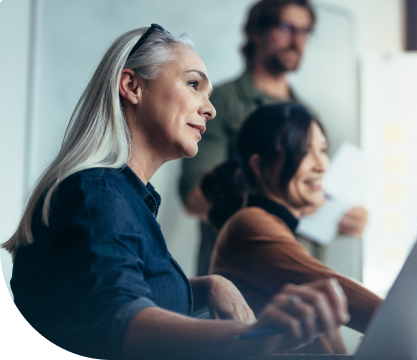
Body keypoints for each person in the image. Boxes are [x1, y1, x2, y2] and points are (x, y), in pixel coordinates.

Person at [2, 25, 351, 360]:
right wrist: (260, 336)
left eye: (209, 95)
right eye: (193, 85)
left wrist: (207, 286)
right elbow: (122, 323)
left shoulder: (125, 199)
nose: (210, 109)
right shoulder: (98, 196)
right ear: (132, 86)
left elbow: (140, 294)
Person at [179, 0, 368, 277]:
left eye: (305, 31)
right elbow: (194, 197)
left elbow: (311, 197)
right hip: (240, 281)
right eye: (287, 27)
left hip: (303, 274)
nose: (297, 40)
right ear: (256, 32)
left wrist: (340, 216)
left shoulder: (306, 113)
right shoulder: (219, 102)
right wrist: (281, 196)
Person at [202, 103, 382, 353]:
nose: (321, 165)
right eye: (305, 152)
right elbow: (341, 294)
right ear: (260, 166)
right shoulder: (250, 223)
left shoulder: (276, 228)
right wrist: (415, 326)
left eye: (323, 150)